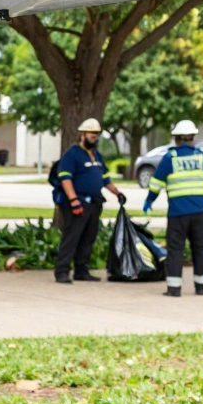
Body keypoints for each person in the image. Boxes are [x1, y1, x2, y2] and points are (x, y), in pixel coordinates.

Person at [144, 120, 203, 297]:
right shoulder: (202, 157)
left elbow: (155, 184)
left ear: (176, 139)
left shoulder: (170, 159)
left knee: (176, 250)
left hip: (178, 213)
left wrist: (149, 201)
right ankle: (201, 287)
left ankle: (174, 288)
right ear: (192, 138)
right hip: (200, 213)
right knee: (201, 248)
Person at [55, 118, 126, 283]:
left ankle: (81, 270)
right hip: (77, 202)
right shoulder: (72, 154)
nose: (94, 137)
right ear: (82, 135)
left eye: (96, 134)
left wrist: (117, 193)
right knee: (71, 237)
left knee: (88, 238)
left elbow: (105, 178)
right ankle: (62, 271)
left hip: (94, 203)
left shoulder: (97, 156)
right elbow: (65, 178)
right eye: (91, 133)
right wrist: (73, 200)